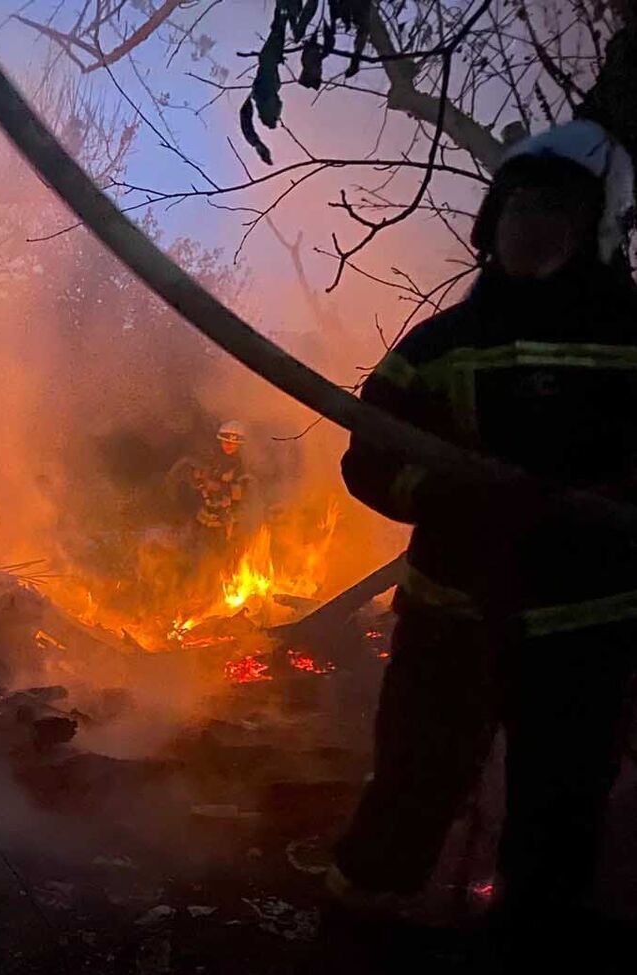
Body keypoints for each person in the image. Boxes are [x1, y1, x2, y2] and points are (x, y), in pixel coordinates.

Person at [330, 119, 637, 960]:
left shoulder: (629, 343)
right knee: (406, 797)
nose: (530, 222)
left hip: (584, 637)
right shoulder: (439, 347)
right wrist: (452, 497)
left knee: (558, 822)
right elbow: (368, 461)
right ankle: (355, 941)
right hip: (450, 625)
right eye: (518, 203)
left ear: (598, 226)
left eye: (555, 206)